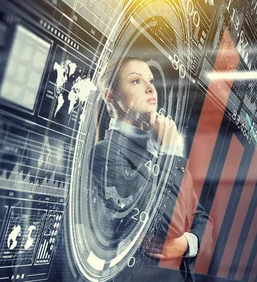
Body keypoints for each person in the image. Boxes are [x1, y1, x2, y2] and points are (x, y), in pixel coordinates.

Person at [87, 56, 212, 281]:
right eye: (136, 81)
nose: (150, 88)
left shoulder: (160, 145)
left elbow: (203, 220)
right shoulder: (105, 154)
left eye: (151, 80)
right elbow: (168, 227)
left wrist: (186, 243)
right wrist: (170, 153)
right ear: (110, 96)